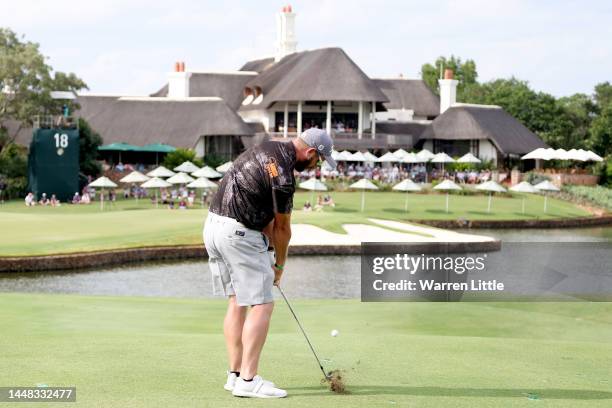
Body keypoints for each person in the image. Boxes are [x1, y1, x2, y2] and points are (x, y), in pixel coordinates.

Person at [204, 128, 336, 399]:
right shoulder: (285, 175)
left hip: (213, 227)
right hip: (237, 233)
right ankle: (248, 380)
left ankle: (235, 375)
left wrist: (268, 245)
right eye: (318, 160)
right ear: (310, 152)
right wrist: (279, 266)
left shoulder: (266, 148)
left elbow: (257, 207)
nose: (316, 166)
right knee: (262, 303)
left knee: (237, 301)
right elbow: (283, 229)